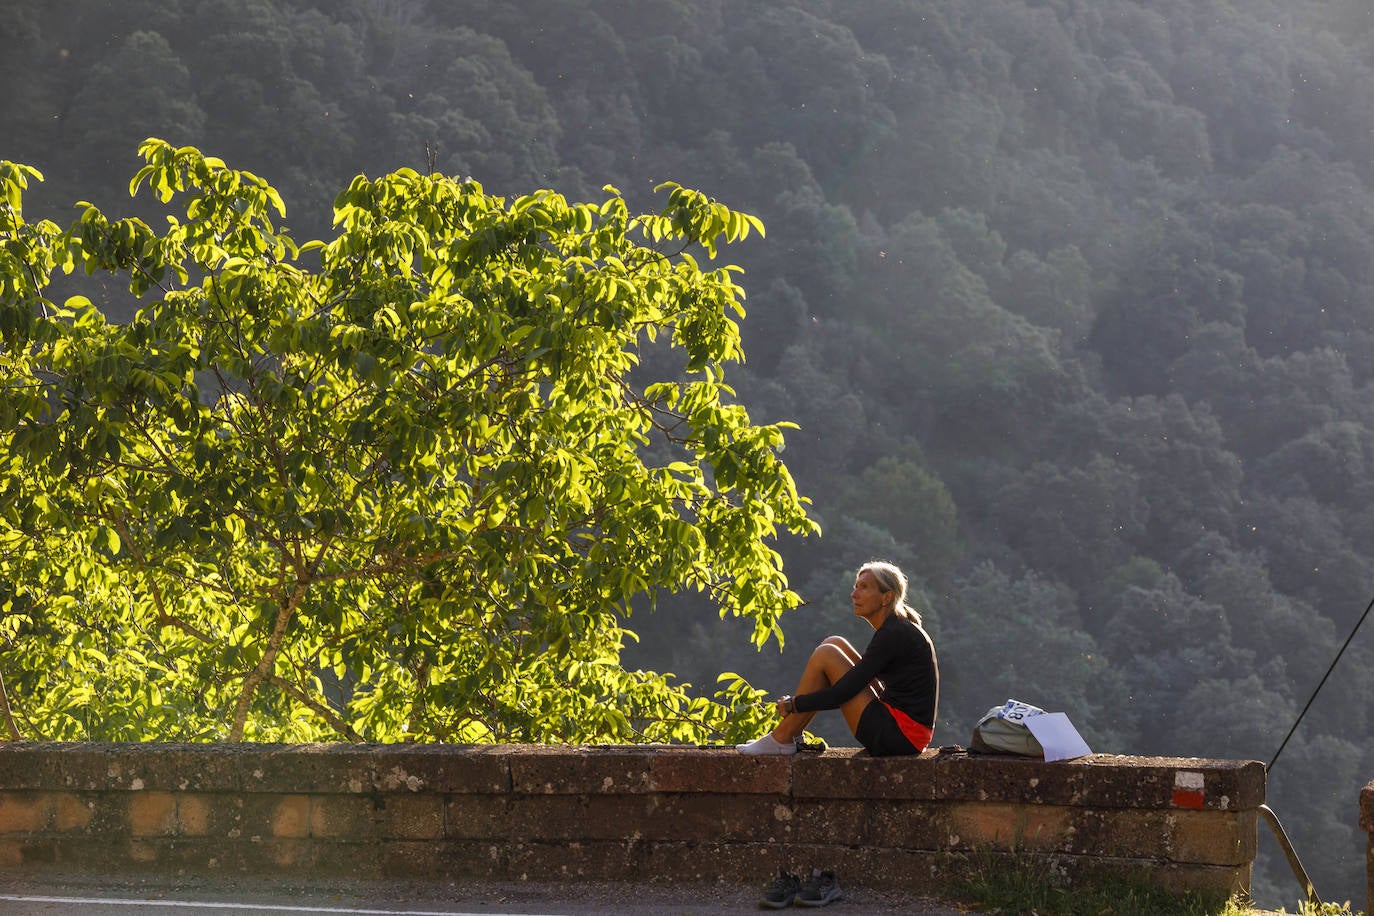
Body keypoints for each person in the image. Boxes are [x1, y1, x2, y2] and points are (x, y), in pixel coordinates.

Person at [737, 560, 938, 757]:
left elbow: (842, 693)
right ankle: (791, 734)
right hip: (905, 732)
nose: (854, 594)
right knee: (835, 642)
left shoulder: (893, 634)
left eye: (864, 588)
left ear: (886, 598)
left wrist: (794, 704)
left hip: (901, 736)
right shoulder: (897, 628)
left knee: (827, 655)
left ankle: (782, 737)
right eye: (855, 587)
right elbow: (853, 684)